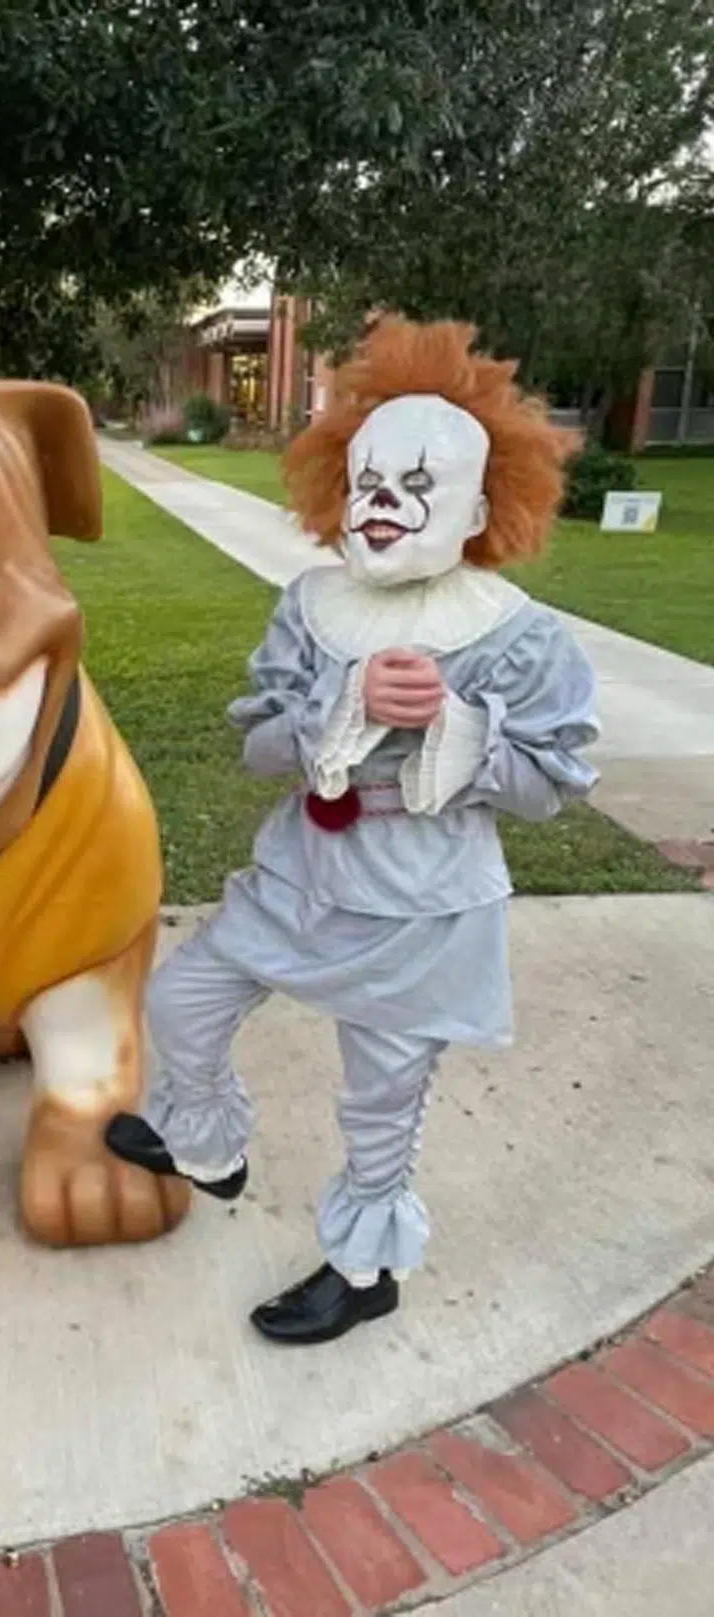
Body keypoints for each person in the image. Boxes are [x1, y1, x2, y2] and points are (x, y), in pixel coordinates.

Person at [104, 316, 600, 1345]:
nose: (385, 505)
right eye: (372, 479)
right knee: (182, 998)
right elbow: (260, 749)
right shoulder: (312, 606)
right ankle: (207, 1144)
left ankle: (364, 1268)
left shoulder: (519, 636)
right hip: (300, 871)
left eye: (419, 486)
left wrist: (451, 725)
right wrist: (342, 701)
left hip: (420, 903)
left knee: (381, 1104)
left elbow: (551, 785)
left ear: (479, 506)